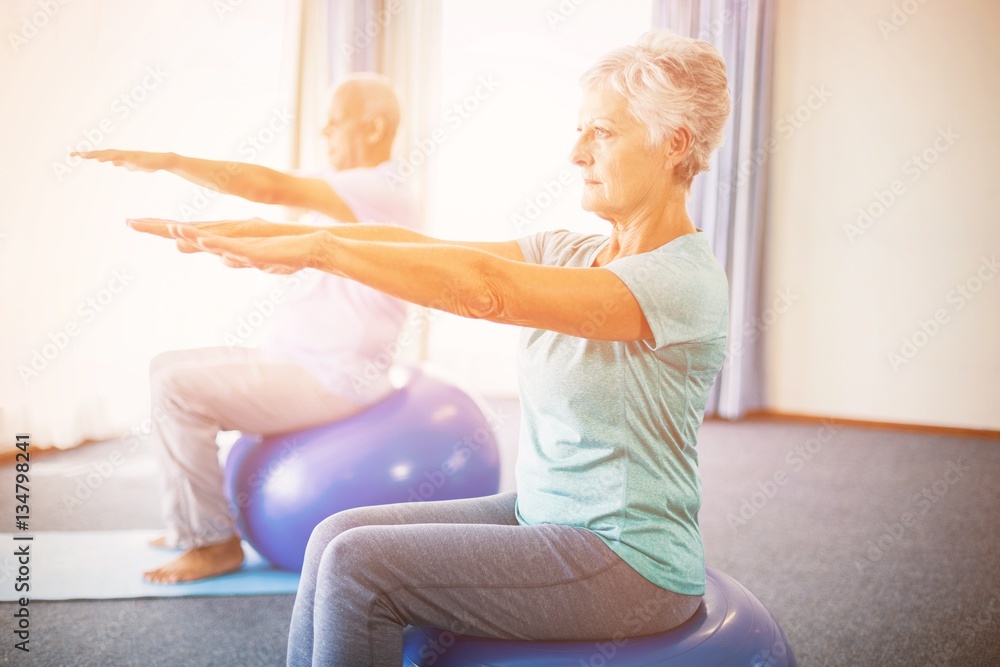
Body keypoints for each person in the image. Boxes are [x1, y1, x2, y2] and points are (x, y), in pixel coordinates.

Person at [130, 29, 731, 666]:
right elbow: (440, 252)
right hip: (547, 516)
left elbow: (485, 291)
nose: (576, 153)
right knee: (334, 534)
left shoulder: (680, 281)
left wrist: (320, 249)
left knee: (362, 567)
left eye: (602, 133)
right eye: (579, 130)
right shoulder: (571, 251)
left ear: (675, 144)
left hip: (626, 561)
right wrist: (287, 236)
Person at [76, 74, 420, 584]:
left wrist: (170, 161)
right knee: (165, 367)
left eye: (333, 125)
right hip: (297, 362)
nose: (323, 136)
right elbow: (280, 234)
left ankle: (212, 543)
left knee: (177, 387)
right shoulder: (353, 197)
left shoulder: (378, 187)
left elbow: (269, 186)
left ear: (372, 127)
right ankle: (186, 523)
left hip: (333, 378)